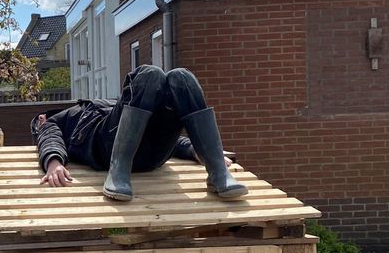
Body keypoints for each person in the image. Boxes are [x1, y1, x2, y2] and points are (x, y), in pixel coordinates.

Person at [32, 64, 247, 201]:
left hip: (152, 151)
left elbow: (154, 132)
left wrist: (194, 149)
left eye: (41, 118)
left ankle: (217, 171)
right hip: (109, 150)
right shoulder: (65, 118)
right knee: (150, 74)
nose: (41, 120)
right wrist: (53, 162)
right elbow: (49, 134)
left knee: (181, 77)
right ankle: (119, 171)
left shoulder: (105, 105)